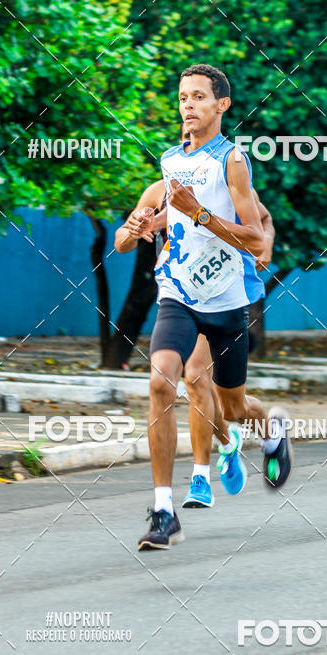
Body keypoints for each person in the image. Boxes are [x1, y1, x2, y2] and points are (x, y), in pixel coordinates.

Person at [137, 63, 292, 550]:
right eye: (183, 96)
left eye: (199, 96)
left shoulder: (234, 162)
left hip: (228, 303)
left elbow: (255, 241)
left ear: (221, 105)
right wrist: (145, 224)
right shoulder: (169, 160)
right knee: (163, 381)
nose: (188, 104)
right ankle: (164, 511)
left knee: (234, 406)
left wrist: (198, 213)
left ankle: (269, 429)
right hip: (179, 294)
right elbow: (153, 221)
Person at [115, 175, 275, 510]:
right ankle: (216, 458)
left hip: (221, 294)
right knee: (179, 380)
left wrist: (266, 248)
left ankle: (265, 433)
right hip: (179, 294)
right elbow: (121, 242)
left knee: (203, 381)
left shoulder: (227, 179)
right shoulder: (159, 189)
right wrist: (132, 229)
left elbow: (263, 221)